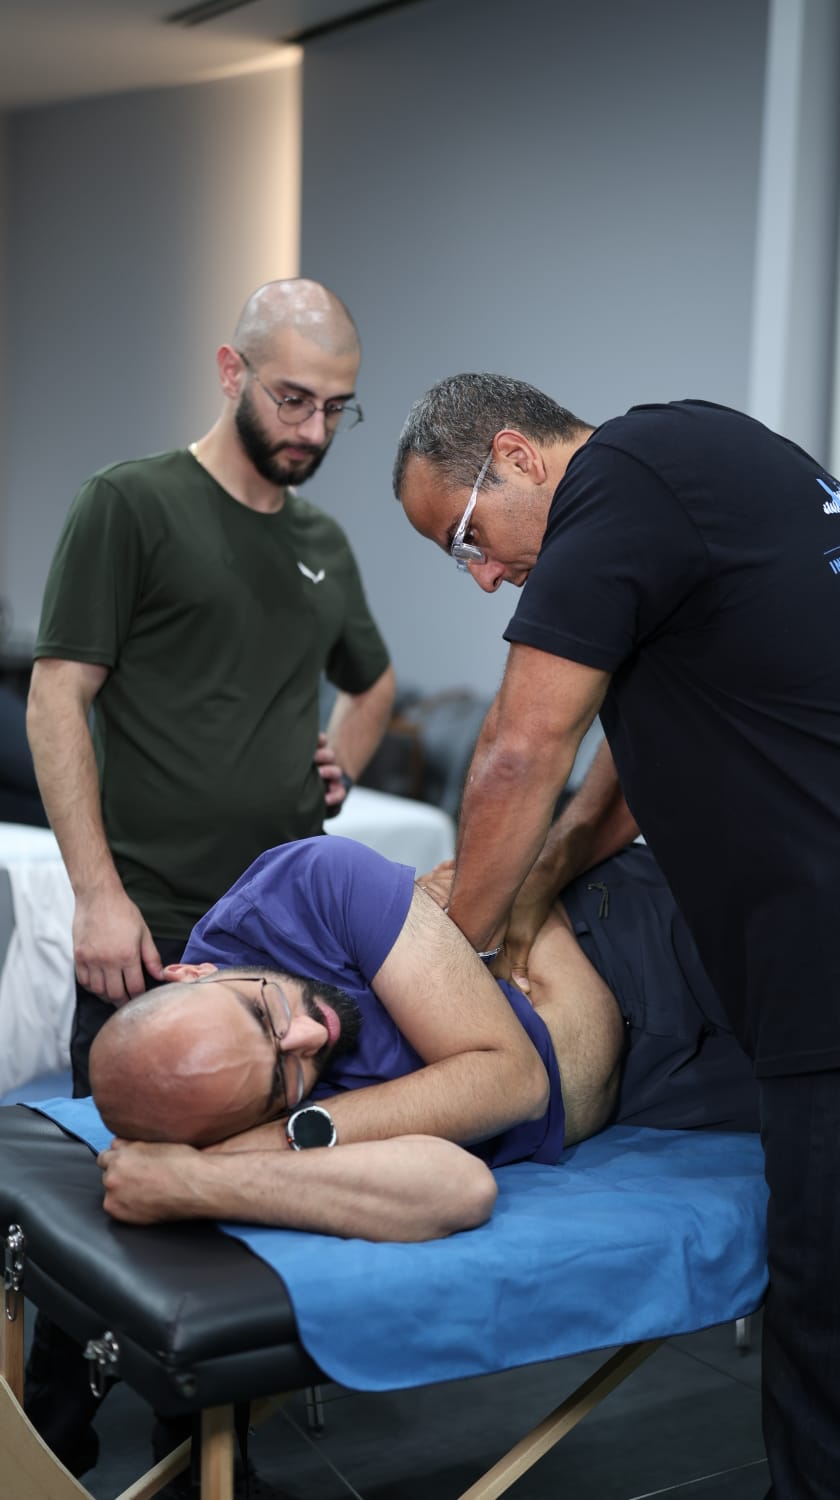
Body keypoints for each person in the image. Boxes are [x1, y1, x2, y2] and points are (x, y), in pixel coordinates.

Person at [393, 375, 840, 1500]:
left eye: (465, 537)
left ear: (518, 455)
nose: (481, 575)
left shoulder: (612, 485)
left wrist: (457, 950)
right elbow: (623, 775)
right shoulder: (699, 459)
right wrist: (542, 877)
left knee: (837, 1358)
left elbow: (522, 748)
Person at [23, 278, 395, 1490]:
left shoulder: (320, 543)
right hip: (151, 921)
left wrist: (346, 757)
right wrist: (96, 895)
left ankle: (202, 1460)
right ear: (232, 373)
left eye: (335, 408)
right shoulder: (130, 503)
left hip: (280, 944)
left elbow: (373, 682)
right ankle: (48, 1447)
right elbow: (57, 697)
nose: (313, 430)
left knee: (244, 1198)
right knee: (107, 1201)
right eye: (292, 399)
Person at [88, 833, 758, 1223]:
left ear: (192, 973)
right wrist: (203, 1180)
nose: (311, 1038)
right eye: (281, 1079)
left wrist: (279, 1139)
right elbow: (458, 1189)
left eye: (264, 1013)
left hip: (630, 936)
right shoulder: (227, 1104)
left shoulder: (306, 888)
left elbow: (518, 1082)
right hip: (658, 1088)